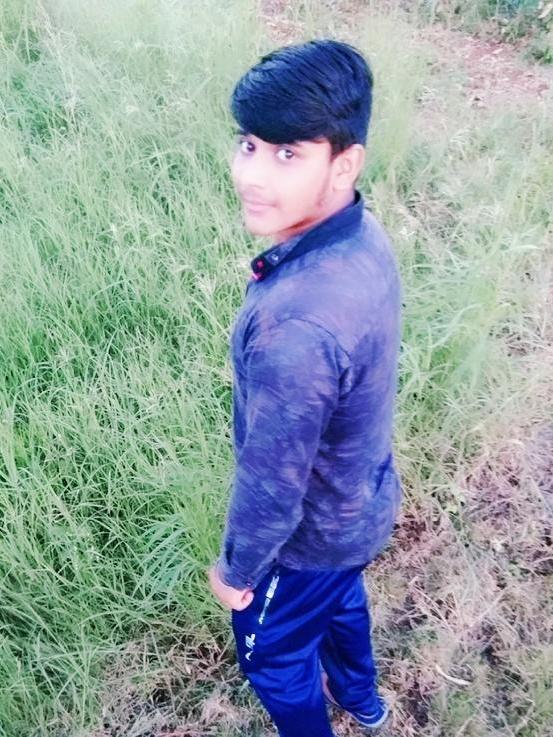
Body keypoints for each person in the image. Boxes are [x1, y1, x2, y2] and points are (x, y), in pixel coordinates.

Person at [207, 37, 403, 737]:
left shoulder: (298, 327)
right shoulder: (360, 234)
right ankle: (365, 703)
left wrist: (236, 572)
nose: (252, 176)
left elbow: (271, 485)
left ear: (344, 163)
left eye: (288, 154)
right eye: (249, 145)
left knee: (275, 658)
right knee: (341, 601)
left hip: (306, 541)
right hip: (363, 503)